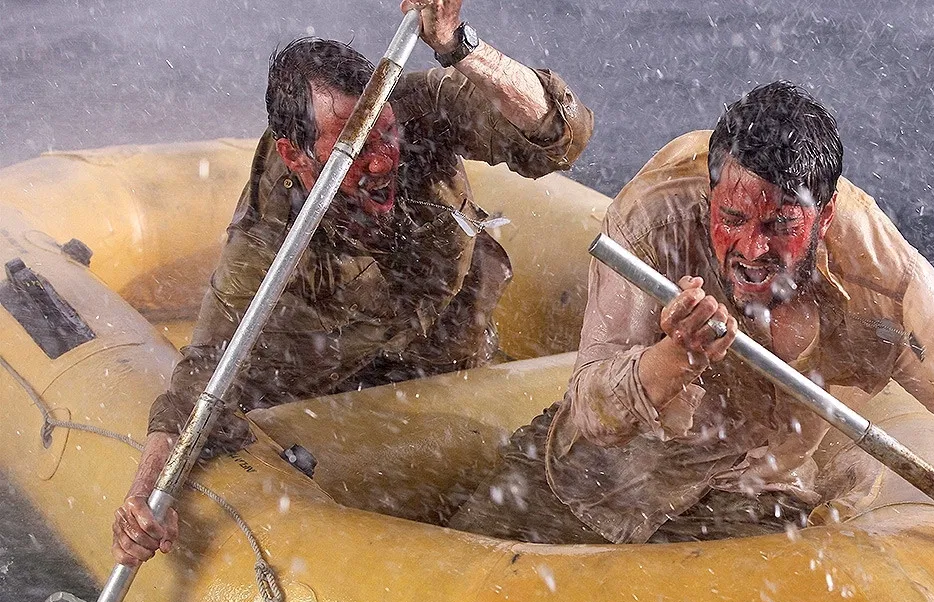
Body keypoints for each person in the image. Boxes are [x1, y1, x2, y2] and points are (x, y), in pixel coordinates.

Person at [448, 81, 934, 602]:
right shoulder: (653, 223)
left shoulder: (878, 273)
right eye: (733, 220)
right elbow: (593, 410)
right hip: (599, 477)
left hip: (762, 498)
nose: (752, 250)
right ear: (711, 198)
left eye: (781, 227)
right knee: (461, 571)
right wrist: (674, 357)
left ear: (826, 218)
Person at [111, 0, 593, 567]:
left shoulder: (416, 111)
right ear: (295, 156)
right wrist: (147, 493)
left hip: (442, 335)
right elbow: (205, 370)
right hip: (328, 365)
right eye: (355, 148)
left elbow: (558, 134)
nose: (383, 161)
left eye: (385, 134)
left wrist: (460, 45)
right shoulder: (270, 230)